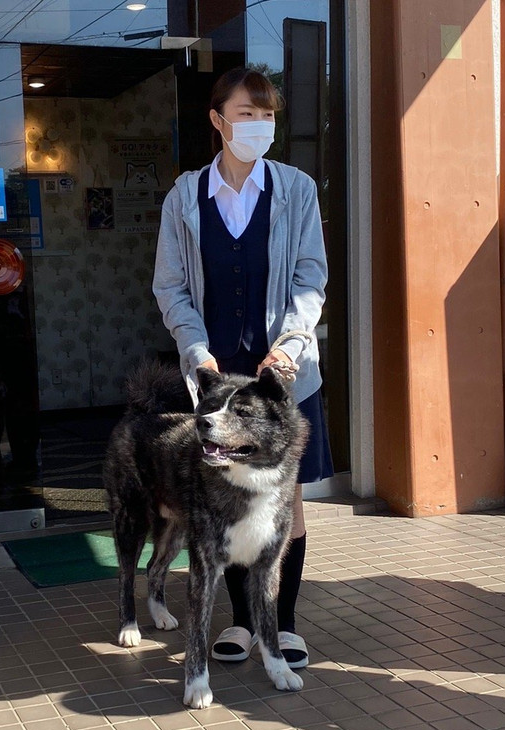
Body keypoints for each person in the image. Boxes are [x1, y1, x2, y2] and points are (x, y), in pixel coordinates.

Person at [153, 67, 332, 670]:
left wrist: (292, 342)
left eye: (267, 115)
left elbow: (311, 276)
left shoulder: (296, 189)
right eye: (246, 114)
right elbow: (171, 285)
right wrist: (193, 348)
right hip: (216, 378)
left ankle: (280, 626)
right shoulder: (185, 196)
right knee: (220, 499)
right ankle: (237, 623)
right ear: (217, 120)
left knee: (287, 502)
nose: (258, 126)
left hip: (282, 377)